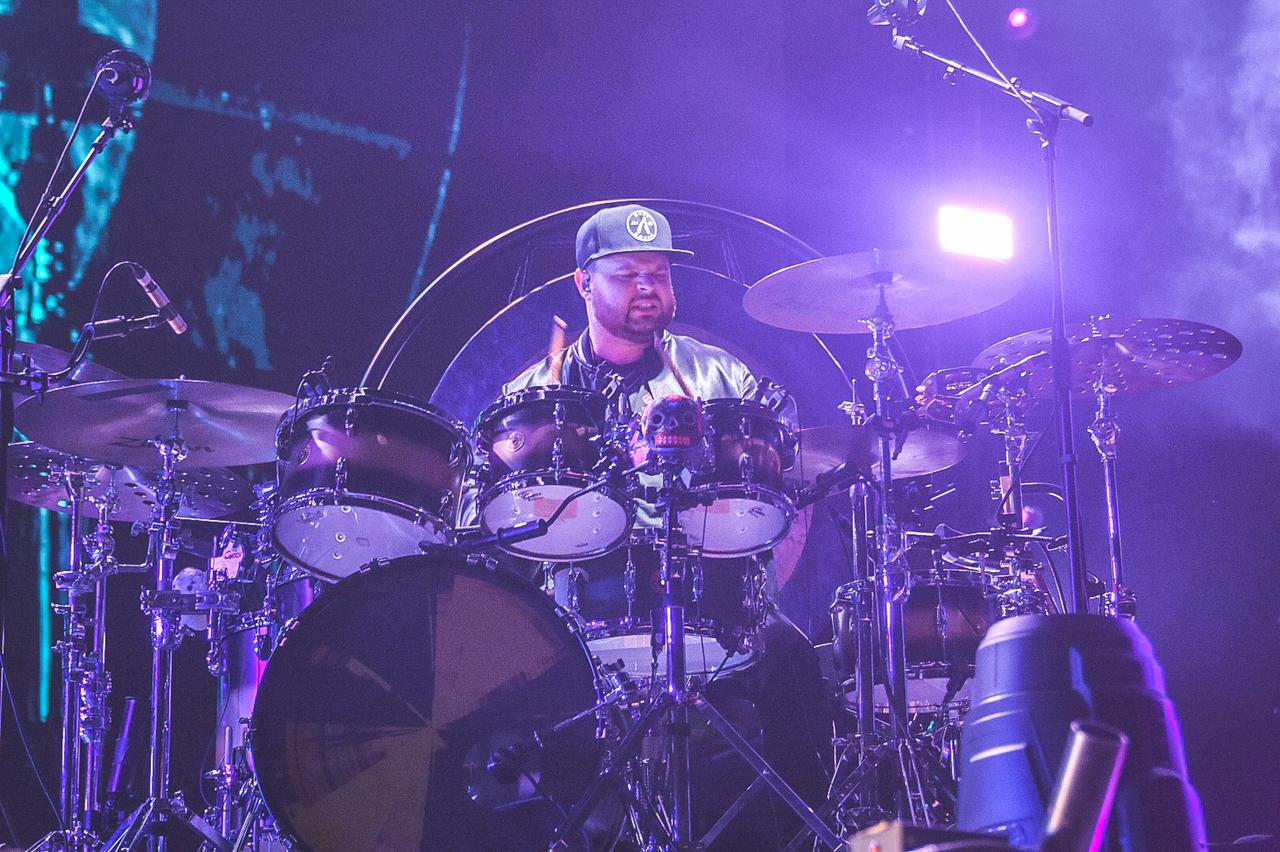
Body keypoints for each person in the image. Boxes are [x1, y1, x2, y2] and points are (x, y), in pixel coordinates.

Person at [501, 204, 833, 849]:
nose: (648, 287)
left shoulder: (723, 377)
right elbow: (490, 517)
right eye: (628, 274)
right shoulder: (533, 392)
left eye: (660, 273)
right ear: (583, 283)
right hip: (581, 603)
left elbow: (779, 479)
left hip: (713, 596)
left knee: (794, 662)